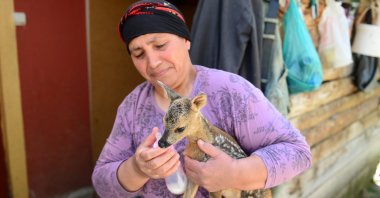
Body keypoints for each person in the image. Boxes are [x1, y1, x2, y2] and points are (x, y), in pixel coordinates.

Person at [91, 0, 312, 197]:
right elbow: (101, 183)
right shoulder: (132, 106)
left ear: (186, 40)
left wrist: (235, 173)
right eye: (138, 54)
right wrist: (136, 169)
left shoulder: (230, 91)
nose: (153, 63)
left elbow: (298, 153)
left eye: (160, 46)